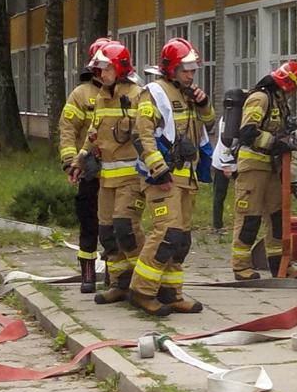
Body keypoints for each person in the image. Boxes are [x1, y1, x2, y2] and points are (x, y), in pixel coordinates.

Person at [129, 38, 217, 315]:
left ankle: (171, 293)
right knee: (166, 233)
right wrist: (159, 170)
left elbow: (210, 124)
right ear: (170, 68)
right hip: (164, 177)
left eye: (193, 69)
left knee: (181, 239)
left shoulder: (188, 94)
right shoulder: (154, 93)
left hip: (186, 177)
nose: (190, 74)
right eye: (185, 69)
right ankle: (141, 291)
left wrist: (203, 104)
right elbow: (142, 136)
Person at [230, 61, 297, 280]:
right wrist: (274, 142)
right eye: (295, 87)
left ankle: (279, 264)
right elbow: (247, 132)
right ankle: (241, 266)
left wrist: (285, 141)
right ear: (286, 82)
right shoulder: (261, 98)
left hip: (272, 168)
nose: (294, 92)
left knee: (277, 218)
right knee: (249, 219)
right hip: (253, 167)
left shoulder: (280, 102)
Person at [91, 42, 149, 305]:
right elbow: (94, 134)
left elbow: (147, 135)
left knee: (125, 228)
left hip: (131, 178)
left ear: (120, 68)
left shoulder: (139, 95)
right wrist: (80, 160)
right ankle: (119, 284)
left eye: (106, 68)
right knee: (107, 232)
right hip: (106, 179)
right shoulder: (102, 96)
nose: (101, 74)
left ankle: (143, 282)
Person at [60, 38, 116, 294]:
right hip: (91, 170)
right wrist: (71, 163)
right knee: (89, 222)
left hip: (118, 171)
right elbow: (68, 130)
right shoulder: (81, 95)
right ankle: (88, 271)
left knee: (117, 223)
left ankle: (116, 272)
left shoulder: (123, 93)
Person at [210, 89, 246, 230]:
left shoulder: (233, 115)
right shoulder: (229, 118)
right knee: (220, 195)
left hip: (234, 159)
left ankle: (240, 222)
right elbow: (227, 142)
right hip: (222, 160)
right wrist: (226, 164)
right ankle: (217, 225)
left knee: (242, 193)